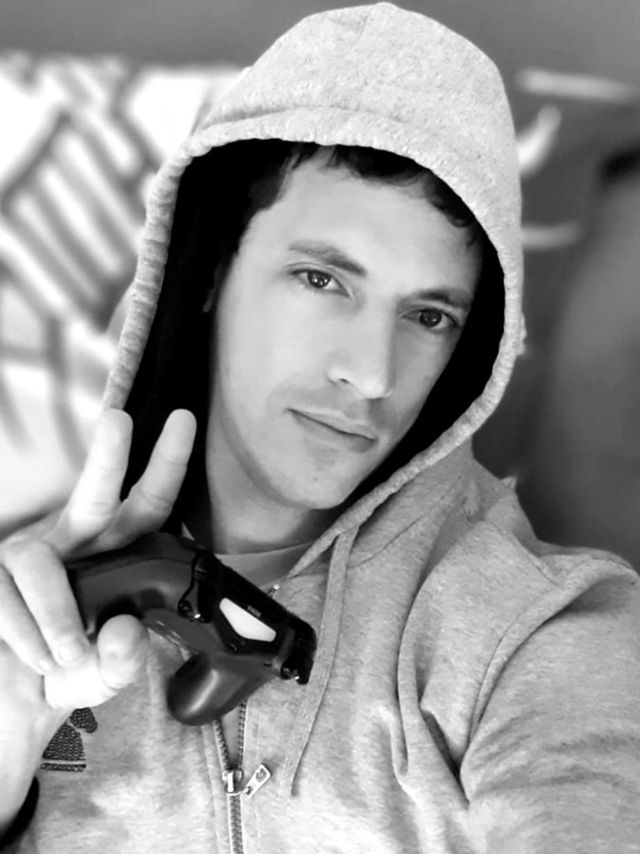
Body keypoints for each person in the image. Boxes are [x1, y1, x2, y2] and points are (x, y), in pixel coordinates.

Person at [1, 3, 639, 852]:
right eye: (322, 280)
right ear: (209, 270)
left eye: (429, 317)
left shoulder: (547, 629)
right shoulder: (27, 616)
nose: (372, 375)